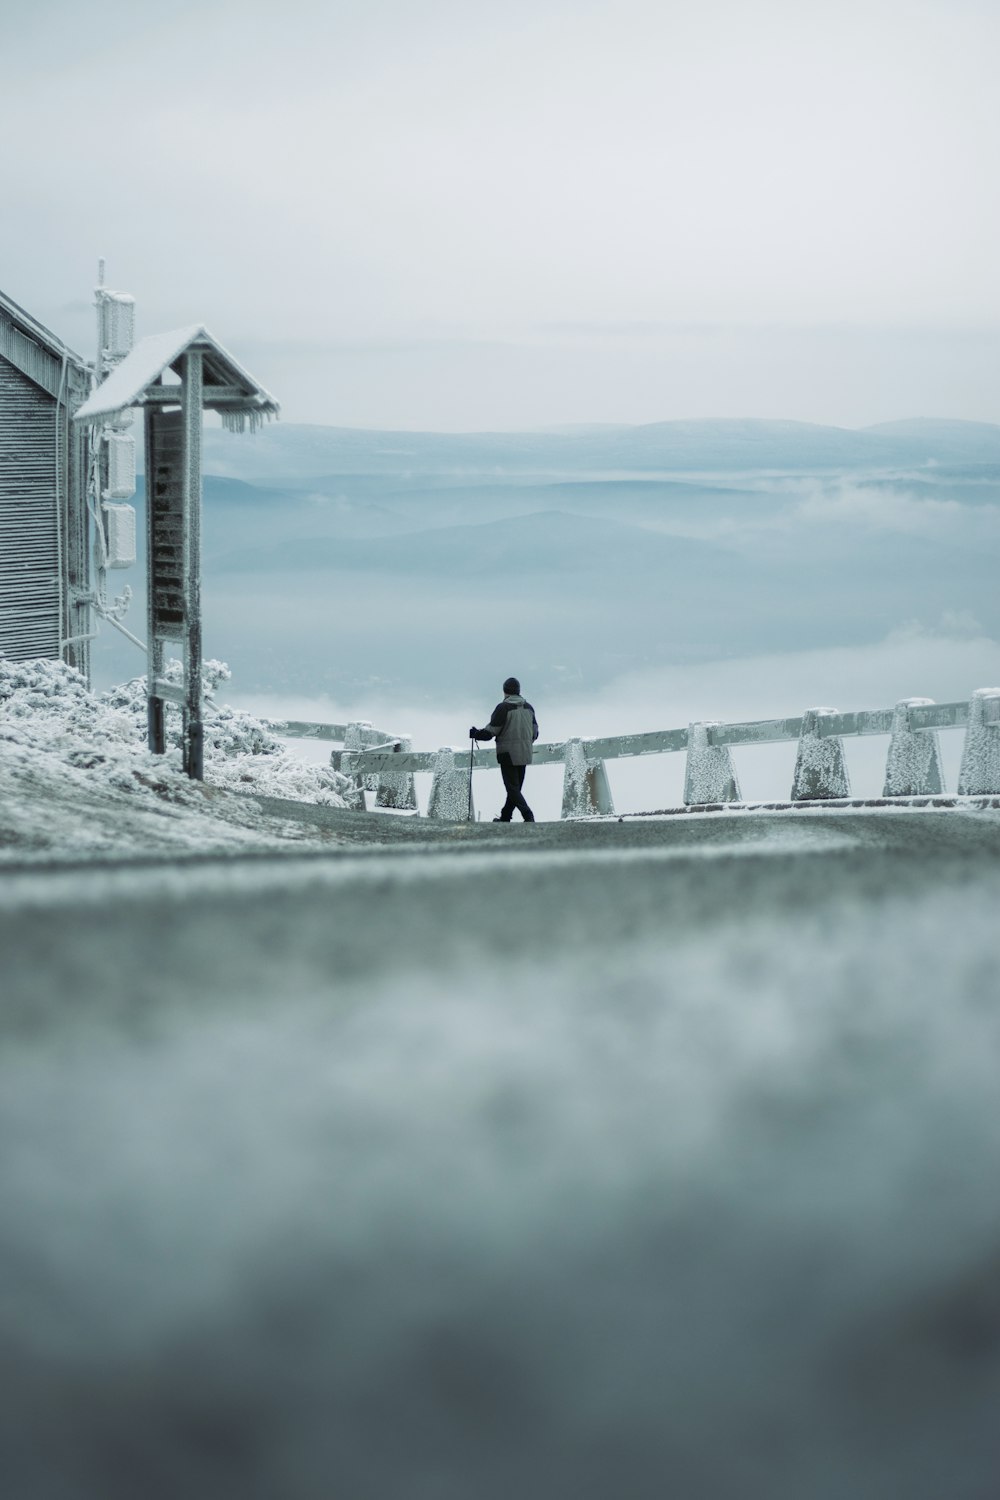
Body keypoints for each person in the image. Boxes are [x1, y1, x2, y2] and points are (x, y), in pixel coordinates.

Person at [470, 677, 539, 822]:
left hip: (507, 754)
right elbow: (535, 732)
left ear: (504, 691)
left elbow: (490, 732)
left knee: (512, 789)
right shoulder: (529, 708)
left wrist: (476, 734)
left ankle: (528, 815)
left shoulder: (503, 708)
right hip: (525, 753)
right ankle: (506, 816)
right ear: (518, 691)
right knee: (515, 789)